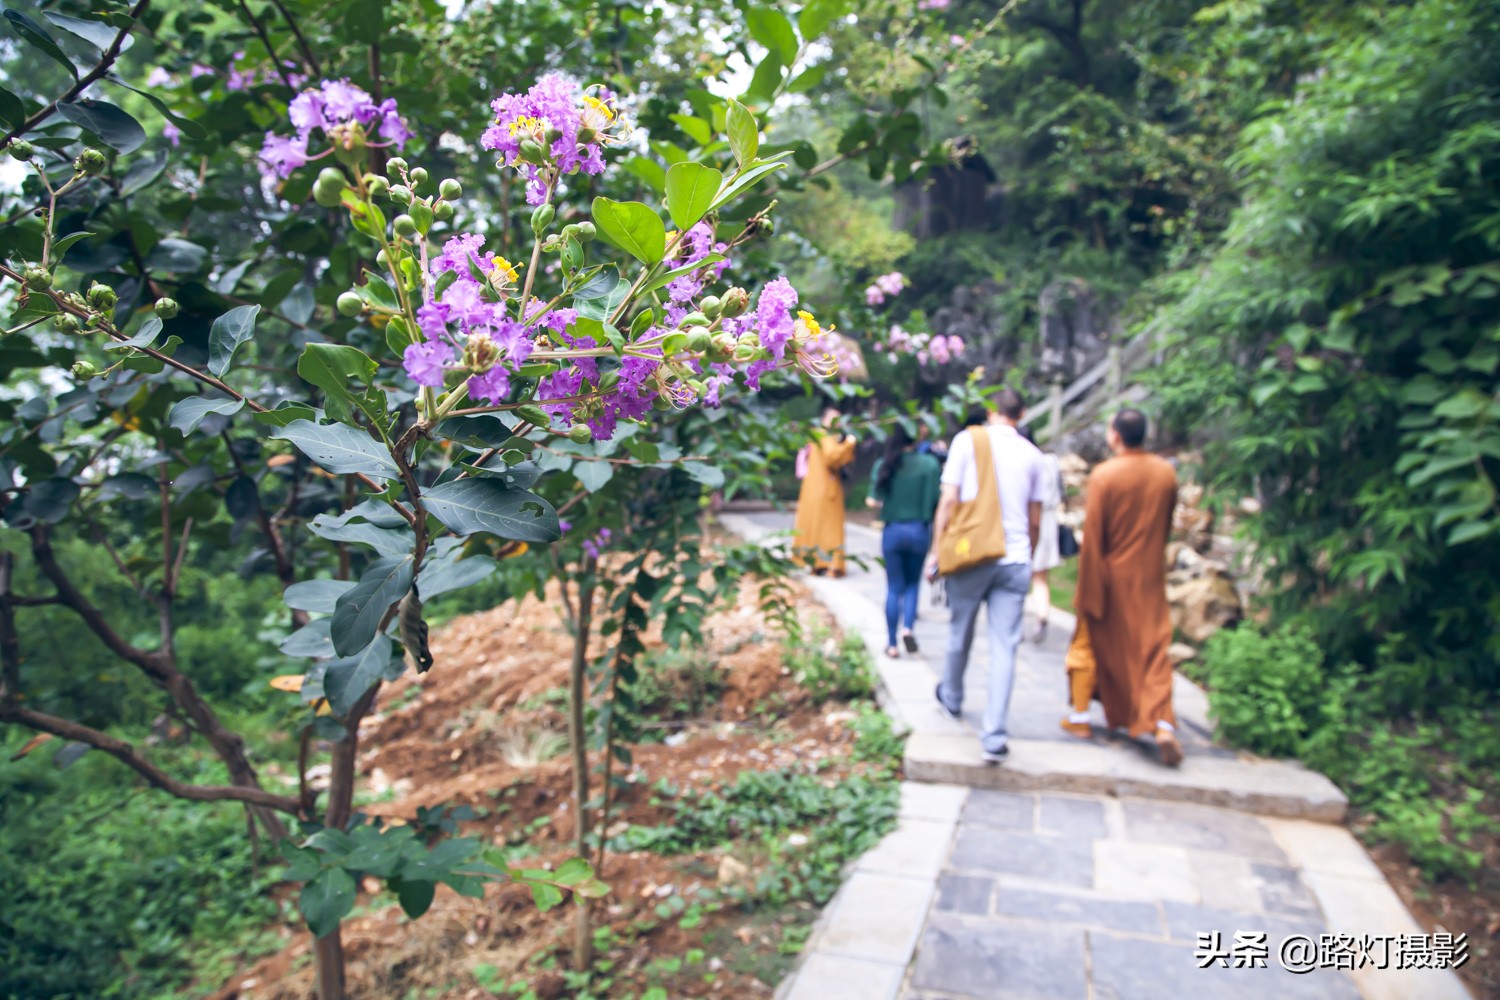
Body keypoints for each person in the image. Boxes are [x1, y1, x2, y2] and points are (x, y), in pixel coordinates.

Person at [925, 388, 1047, 763]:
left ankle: (952, 697)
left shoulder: (966, 440)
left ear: (991, 410)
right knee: (1005, 646)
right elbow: (1036, 519)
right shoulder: (1034, 456)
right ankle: (993, 735)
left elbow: (948, 501)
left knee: (959, 631)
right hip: (1014, 560)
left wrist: (936, 551)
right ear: (1023, 413)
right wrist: (1025, 550)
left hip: (971, 555)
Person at [1074, 408, 1183, 766]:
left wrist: (1087, 588)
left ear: (1115, 436)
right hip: (1149, 571)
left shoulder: (1106, 475)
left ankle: (1119, 715)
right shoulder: (1166, 473)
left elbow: (1093, 537)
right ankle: (1162, 722)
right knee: (1154, 650)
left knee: (1113, 648)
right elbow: (1165, 524)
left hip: (1112, 575)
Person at [868, 423, 942, 658]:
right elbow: (936, 501)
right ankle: (908, 628)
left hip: (893, 531)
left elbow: (872, 500)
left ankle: (891, 643)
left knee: (893, 588)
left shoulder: (885, 464)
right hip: (919, 531)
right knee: (912, 585)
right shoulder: (930, 465)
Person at [793, 406, 858, 577]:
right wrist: (849, 443)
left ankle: (815, 562)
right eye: (835, 420)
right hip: (826, 489)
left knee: (814, 525)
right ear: (825, 420)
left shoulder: (815, 435)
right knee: (830, 527)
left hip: (812, 488)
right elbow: (832, 457)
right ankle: (832, 564)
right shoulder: (824, 435)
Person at [1018, 426, 1064, 643]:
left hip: (1030, 518)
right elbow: (1061, 492)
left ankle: (1015, 625)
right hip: (1050, 520)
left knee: (1020, 575)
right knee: (1040, 576)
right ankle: (1042, 616)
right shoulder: (1052, 461)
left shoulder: (1026, 462)